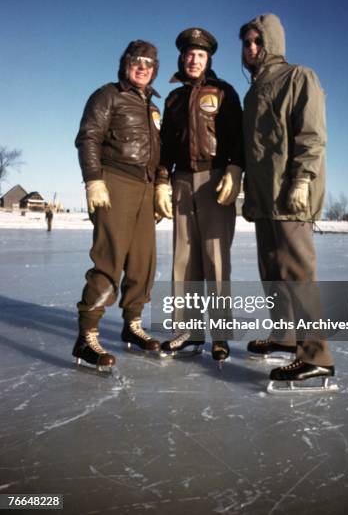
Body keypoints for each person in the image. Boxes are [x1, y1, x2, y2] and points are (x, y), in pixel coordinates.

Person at [239, 13, 336, 391]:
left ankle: (316, 357)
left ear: (272, 43)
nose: (251, 49)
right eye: (246, 43)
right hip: (264, 199)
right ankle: (284, 336)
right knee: (273, 273)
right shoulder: (253, 91)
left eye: (257, 42)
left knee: (298, 275)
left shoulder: (299, 77)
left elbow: (311, 134)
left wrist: (303, 178)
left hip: (291, 195)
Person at [155, 28, 243, 362]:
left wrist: (235, 169)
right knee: (184, 258)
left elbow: (237, 136)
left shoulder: (223, 92)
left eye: (201, 55)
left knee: (215, 259)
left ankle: (220, 335)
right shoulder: (174, 98)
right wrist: (162, 180)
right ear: (182, 57)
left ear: (208, 60)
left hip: (215, 179)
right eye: (190, 54)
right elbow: (165, 146)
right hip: (181, 180)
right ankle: (189, 330)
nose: (194, 60)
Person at [73, 40, 162, 369]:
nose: (143, 67)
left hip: (146, 188)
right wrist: (93, 179)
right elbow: (89, 136)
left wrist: (161, 184)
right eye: (137, 61)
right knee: (109, 258)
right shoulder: (107, 95)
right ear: (125, 65)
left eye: (149, 64)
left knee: (143, 262)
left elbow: (160, 152)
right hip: (116, 181)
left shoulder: (153, 106)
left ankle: (132, 325)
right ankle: (87, 336)